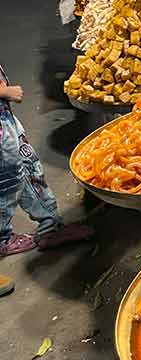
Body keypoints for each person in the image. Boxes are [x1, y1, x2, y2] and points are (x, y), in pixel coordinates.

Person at [0, 64, 93, 256]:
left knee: (28, 168)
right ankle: (3, 239)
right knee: (7, 181)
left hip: (5, 119)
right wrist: (5, 91)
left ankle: (50, 227)